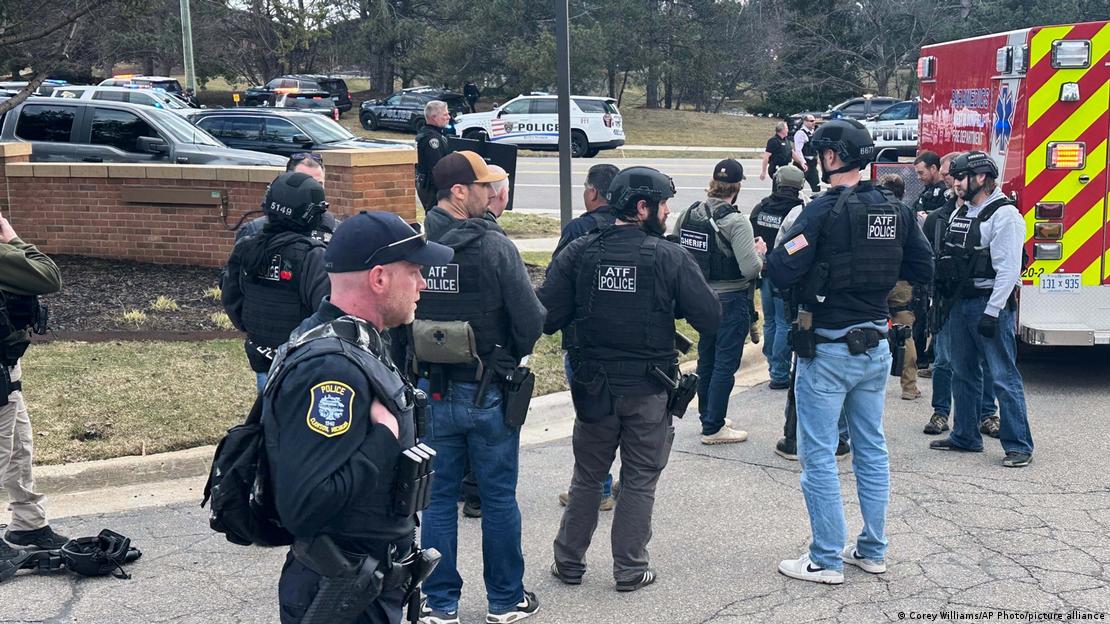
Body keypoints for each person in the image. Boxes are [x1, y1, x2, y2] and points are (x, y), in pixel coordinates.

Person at [263, 210, 453, 624]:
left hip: (368, 587)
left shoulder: (358, 341)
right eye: (414, 272)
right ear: (379, 278)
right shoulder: (331, 370)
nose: (422, 284)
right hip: (342, 596)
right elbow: (303, 505)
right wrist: (383, 439)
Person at [540, 166, 721, 592]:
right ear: (642, 208)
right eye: (663, 204)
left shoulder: (580, 251)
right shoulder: (669, 257)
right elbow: (711, 317)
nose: (668, 212)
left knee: (588, 478)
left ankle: (568, 563)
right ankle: (630, 569)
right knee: (639, 480)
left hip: (594, 388)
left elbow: (546, 316)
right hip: (647, 390)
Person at [767, 119, 933, 584]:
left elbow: (780, 269)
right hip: (876, 344)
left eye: (821, 154)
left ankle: (825, 558)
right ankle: (872, 549)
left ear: (832, 157)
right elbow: (924, 266)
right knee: (871, 449)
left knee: (819, 456)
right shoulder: (896, 209)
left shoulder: (822, 210)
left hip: (828, 347)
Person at [415, 151, 545, 624]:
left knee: (437, 501)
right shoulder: (494, 247)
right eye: (483, 186)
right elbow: (531, 320)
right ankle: (506, 601)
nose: (491, 193)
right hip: (489, 390)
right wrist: (508, 351)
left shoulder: (413, 244)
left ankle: (439, 603)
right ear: (459, 192)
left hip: (431, 391)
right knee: (498, 498)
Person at [928, 151, 1034, 468]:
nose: (956, 183)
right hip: (959, 303)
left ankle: (1018, 445)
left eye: (961, 177)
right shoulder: (965, 211)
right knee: (962, 372)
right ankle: (965, 436)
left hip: (988, 305)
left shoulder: (1005, 216)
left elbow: (1008, 271)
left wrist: (993, 311)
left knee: (1002, 376)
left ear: (981, 178)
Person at [671, 159, 764, 444]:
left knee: (707, 360)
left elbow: (675, 248)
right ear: (737, 187)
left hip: (700, 299)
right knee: (725, 364)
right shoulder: (736, 221)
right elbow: (750, 269)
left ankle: (709, 415)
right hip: (731, 300)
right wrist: (760, 252)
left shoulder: (690, 213)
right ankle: (714, 427)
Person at [222, 172, 332, 393]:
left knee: (266, 410)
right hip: (304, 367)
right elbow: (327, 317)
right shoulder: (313, 256)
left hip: (262, 358)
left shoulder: (246, 247)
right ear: (309, 213)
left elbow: (232, 301)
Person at [553, 163, 621, 511]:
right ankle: (626, 481)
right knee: (629, 415)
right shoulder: (635, 227)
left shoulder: (579, 229)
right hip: (629, 342)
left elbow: (557, 282)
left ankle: (597, 489)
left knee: (592, 419)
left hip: (585, 343)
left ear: (593, 192)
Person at [0, 212, 67, 564]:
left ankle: (28, 524)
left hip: (6, 368)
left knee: (18, 447)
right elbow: (48, 275)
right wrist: (13, 237)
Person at [920, 152, 999, 437]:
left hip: (979, 299)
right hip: (946, 300)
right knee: (943, 360)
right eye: (949, 176)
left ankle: (987, 414)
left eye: (956, 176)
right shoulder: (938, 219)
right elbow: (926, 258)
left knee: (984, 363)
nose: (952, 182)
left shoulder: (992, 214)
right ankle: (941, 412)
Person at [750, 165, 807, 390]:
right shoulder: (798, 211)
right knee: (784, 323)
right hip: (784, 274)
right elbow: (800, 242)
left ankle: (773, 367)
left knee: (771, 321)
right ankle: (780, 373)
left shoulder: (761, 207)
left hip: (764, 271)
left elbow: (751, 237)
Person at [875, 174, 921, 401]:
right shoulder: (907, 215)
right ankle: (909, 387)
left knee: (870, 329)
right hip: (901, 281)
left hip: (873, 281)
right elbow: (919, 250)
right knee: (904, 333)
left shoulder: (871, 213)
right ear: (903, 193)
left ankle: (870, 385)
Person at [236, 154, 337, 244]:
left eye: (318, 184)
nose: (312, 189)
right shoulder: (254, 231)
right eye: (304, 183)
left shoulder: (337, 231)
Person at [553, 164, 621, 256]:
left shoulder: (577, 228)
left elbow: (558, 264)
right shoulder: (632, 224)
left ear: (593, 193)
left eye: (586, 188)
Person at [416, 101, 455, 212]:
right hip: (433, 188)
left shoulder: (431, 134)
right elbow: (437, 168)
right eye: (445, 114)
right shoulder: (431, 139)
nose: (448, 117)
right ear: (434, 117)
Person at [793, 115, 821, 192]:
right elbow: (798, 150)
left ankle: (814, 198)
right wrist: (802, 163)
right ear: (805, 122)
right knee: (796, 186)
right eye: (811, 121)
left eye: (814, 121)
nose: (813, 123)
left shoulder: (814, 132)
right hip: (803, 164)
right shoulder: (800, 133)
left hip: (812, 164)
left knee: (816, 186)